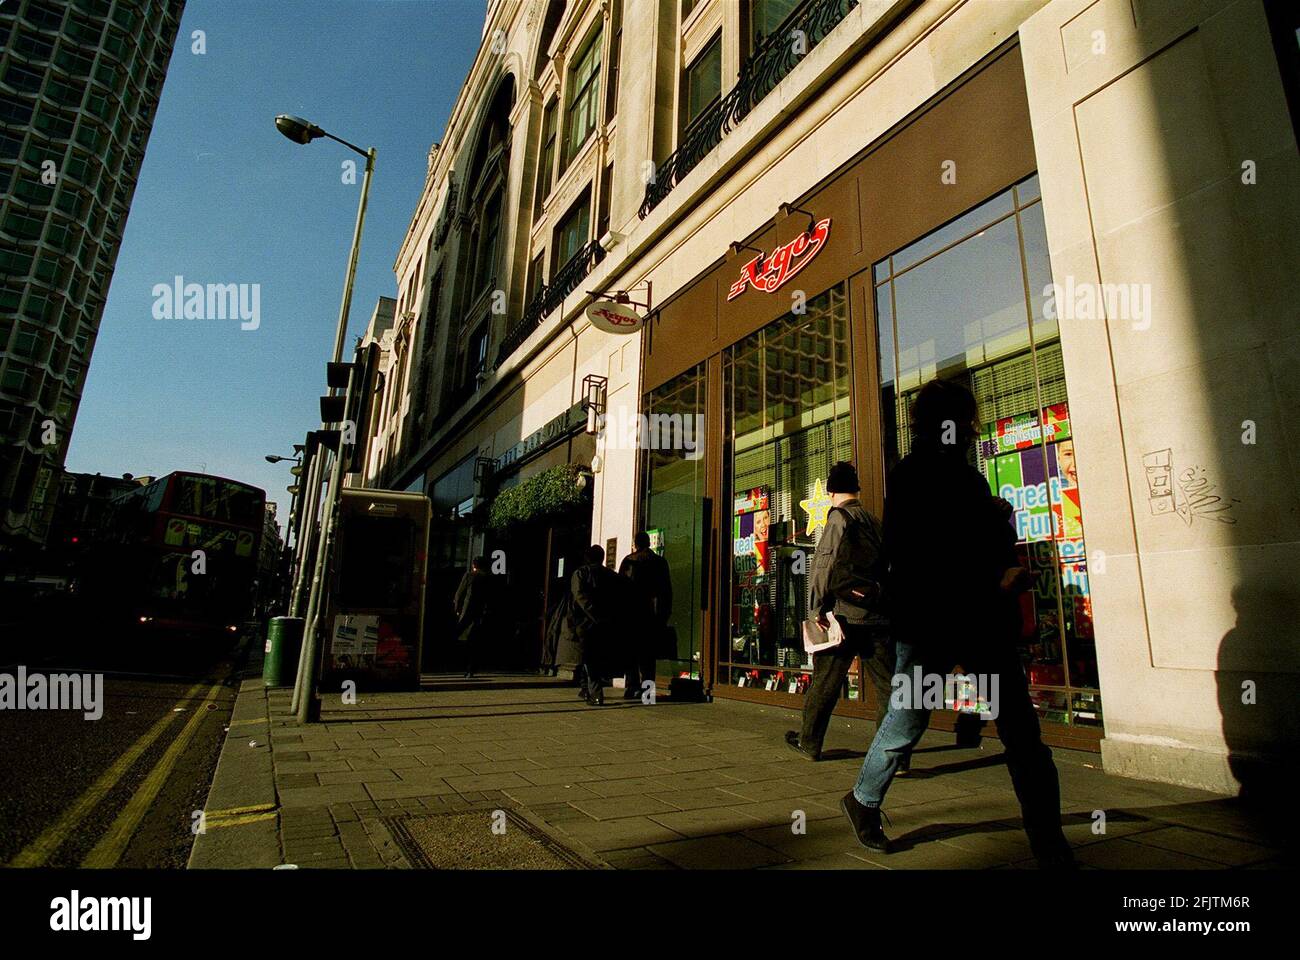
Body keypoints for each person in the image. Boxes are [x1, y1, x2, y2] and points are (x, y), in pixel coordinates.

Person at [839, 379, 1075, 869]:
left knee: (1001, 728)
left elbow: (937, 547)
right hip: (943, 623)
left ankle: (1049, 843)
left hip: (955, 622)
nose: (971, 428)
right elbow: (925, 554)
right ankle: (863, 799)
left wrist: (990, 525)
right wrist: (995, 560)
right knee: (975, 726)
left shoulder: (934, 477)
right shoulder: (936, 478)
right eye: (967, 420)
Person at [784, 461, 898, 763]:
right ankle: (892, 755)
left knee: (826, 681)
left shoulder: (839, 518)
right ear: (856, 489)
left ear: (832, 491)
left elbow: (824, 564)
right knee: (888, 686)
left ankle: (809, 742)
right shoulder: (873, 521)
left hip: (845, 618)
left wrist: (816, 608)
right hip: (877, 614)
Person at [618, 531, 673, 700]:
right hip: (652, 616)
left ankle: (632, 688)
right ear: (649, 543)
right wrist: (664, 615)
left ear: (636, 543)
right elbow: (666, 591)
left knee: (631, 654)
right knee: (649, 658)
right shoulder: (660, 562)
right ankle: (648, 693)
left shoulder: (629, 561)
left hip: (631, 616)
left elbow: (621, 590)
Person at [570, 544, 624, 705]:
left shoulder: (580, 573)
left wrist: (593, 614)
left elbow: (579, 597)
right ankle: (586, 688)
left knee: (588, 657)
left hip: (585, 622)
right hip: (606, 622)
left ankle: (595, 693)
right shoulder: (611, 575)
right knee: (593, 656)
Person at [453, 555, 492, 678]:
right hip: (480, 614)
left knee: (459, 636)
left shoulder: (469, 576)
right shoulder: (488, 578)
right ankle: (471, 669)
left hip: (467, 612)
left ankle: (459, 664)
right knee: (475, 641)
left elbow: (459, 594)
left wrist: (457, 609)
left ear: (474, 565)